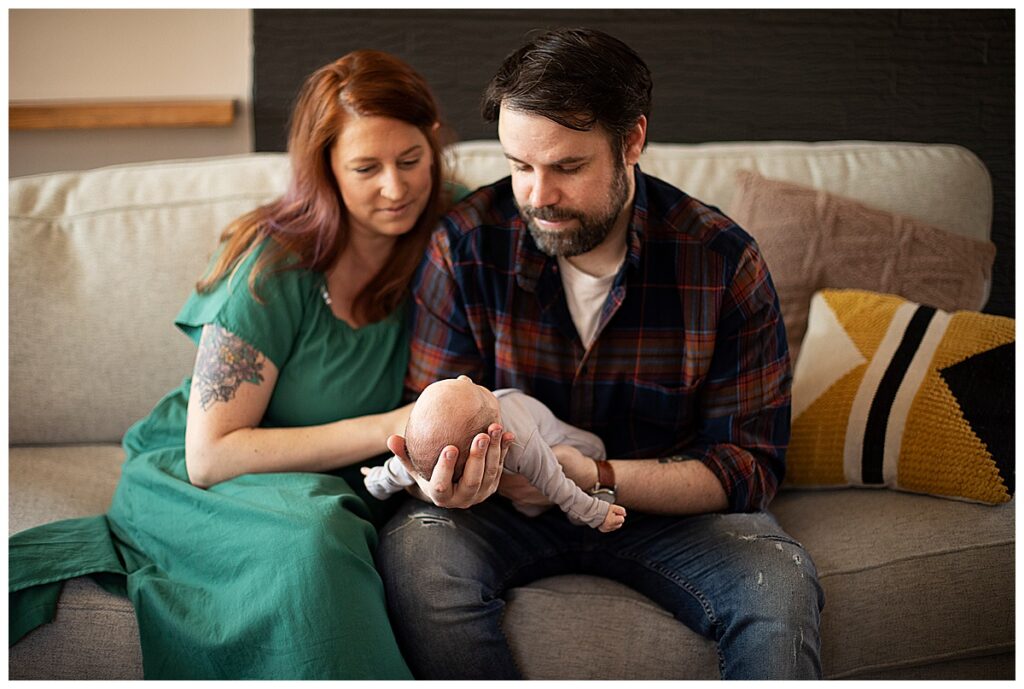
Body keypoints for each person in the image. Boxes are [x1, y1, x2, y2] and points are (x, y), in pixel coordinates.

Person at [8, 50, 511, 680]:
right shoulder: (273, 269)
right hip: (201, 480)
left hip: (333, 481)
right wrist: (402, 422)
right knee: (315, 539)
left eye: (411, 160)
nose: (396, 186)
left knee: (330, 520)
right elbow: (211, 455)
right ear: (325, 168)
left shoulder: (451, 228)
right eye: (365, 167)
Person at [377, 28, 825, 679]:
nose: (537, 195)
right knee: (416, 556)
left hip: (661, 513)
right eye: (519, 165)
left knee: (778, 582)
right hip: (503, 511)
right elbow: (431, 414)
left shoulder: (721, 260)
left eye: (567, 167)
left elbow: (748, 466)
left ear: (632, 139)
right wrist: (440, 479)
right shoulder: (466, 243)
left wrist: (587, 474)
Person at [361, 376, 627, 531]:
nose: (466, 378)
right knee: (595, 446)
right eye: (475, 389)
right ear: (490, 434)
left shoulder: (418, 449)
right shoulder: (523, 442)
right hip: (552, 450)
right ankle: (542, 507)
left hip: (531, 464)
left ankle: (532, 505)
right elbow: (557, 485)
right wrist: (595, 513)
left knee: (558, 475)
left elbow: (397, 470)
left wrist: (376, 481)